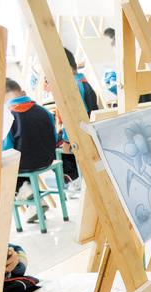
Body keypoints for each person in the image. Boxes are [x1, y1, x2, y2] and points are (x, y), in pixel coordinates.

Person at [3, 78, 58, 223]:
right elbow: (54, 137)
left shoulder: (8, 117)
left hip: (24, 164)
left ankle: (26, 190)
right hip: (47, 159)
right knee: (21, 160)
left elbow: (7, 149)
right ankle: (33, 202)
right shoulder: (44, 111)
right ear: (22, 92)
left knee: (7, 166)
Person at [58, 48, 99, 188]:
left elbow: (74, 117)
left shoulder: (74, 88)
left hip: (80, 135)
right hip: (89, 131)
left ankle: (74, 178)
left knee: (54, 145)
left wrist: (66, 140)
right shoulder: (83, 82)